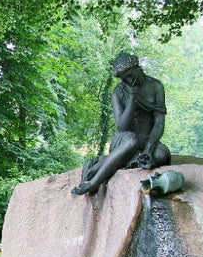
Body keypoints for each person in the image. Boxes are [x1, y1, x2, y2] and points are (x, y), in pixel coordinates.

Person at [71, 52, 171, 196]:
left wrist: (149, 148)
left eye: (130, 76)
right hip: (124, 139)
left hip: (146, 139)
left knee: (161, 155)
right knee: (132, 141)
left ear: (138, 68)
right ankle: (93, 182)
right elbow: (122, 127)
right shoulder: (118, 92)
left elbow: (159, 122)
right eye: (124, 80)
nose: (128, 81)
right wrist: (132, 96)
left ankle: (107, 161)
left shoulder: (156, 86)